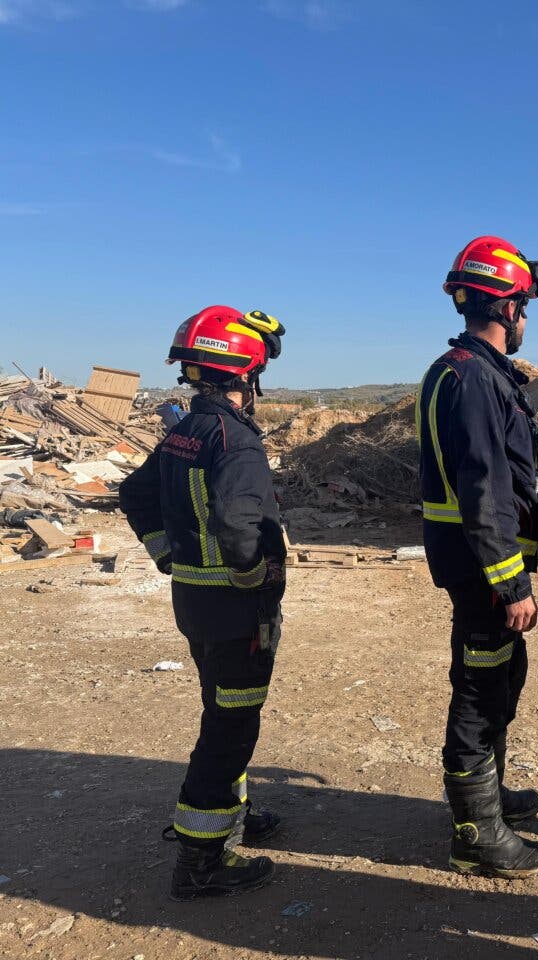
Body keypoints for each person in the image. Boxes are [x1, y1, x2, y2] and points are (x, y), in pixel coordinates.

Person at [119, 306, 289, 901]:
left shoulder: (182, 432)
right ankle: (201, 860)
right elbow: (240, 527)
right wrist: (250, 577)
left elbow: (134, 493)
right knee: (230, 725)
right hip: (234, 612)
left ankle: (232, 813)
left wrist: (167, 554)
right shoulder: (236, 441)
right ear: (247, 372)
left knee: (223, 709)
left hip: (193, 601)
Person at [419, 235, 538, 878]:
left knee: (502, 680)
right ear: (507, 308)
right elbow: (482, 488)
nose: (526, 321)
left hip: (486, 566)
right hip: (483, 572)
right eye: (524, 307)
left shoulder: (473, 373)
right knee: (478, 691)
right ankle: (475, 833)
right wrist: (510, 582)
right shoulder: (472, 378)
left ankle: (490, 801)